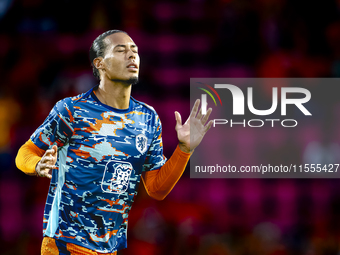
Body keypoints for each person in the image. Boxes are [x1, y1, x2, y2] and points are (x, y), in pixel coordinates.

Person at [15, 30, 212, 254]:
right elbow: (26, 151)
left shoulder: (148, 118)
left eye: (134, 51)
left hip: (109, 250)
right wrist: (37, 165)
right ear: (100, 64)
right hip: (65, 245)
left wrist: (184, 150)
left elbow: (156, 189)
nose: (131, 56)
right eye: (121, 50)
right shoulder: (71, 109)